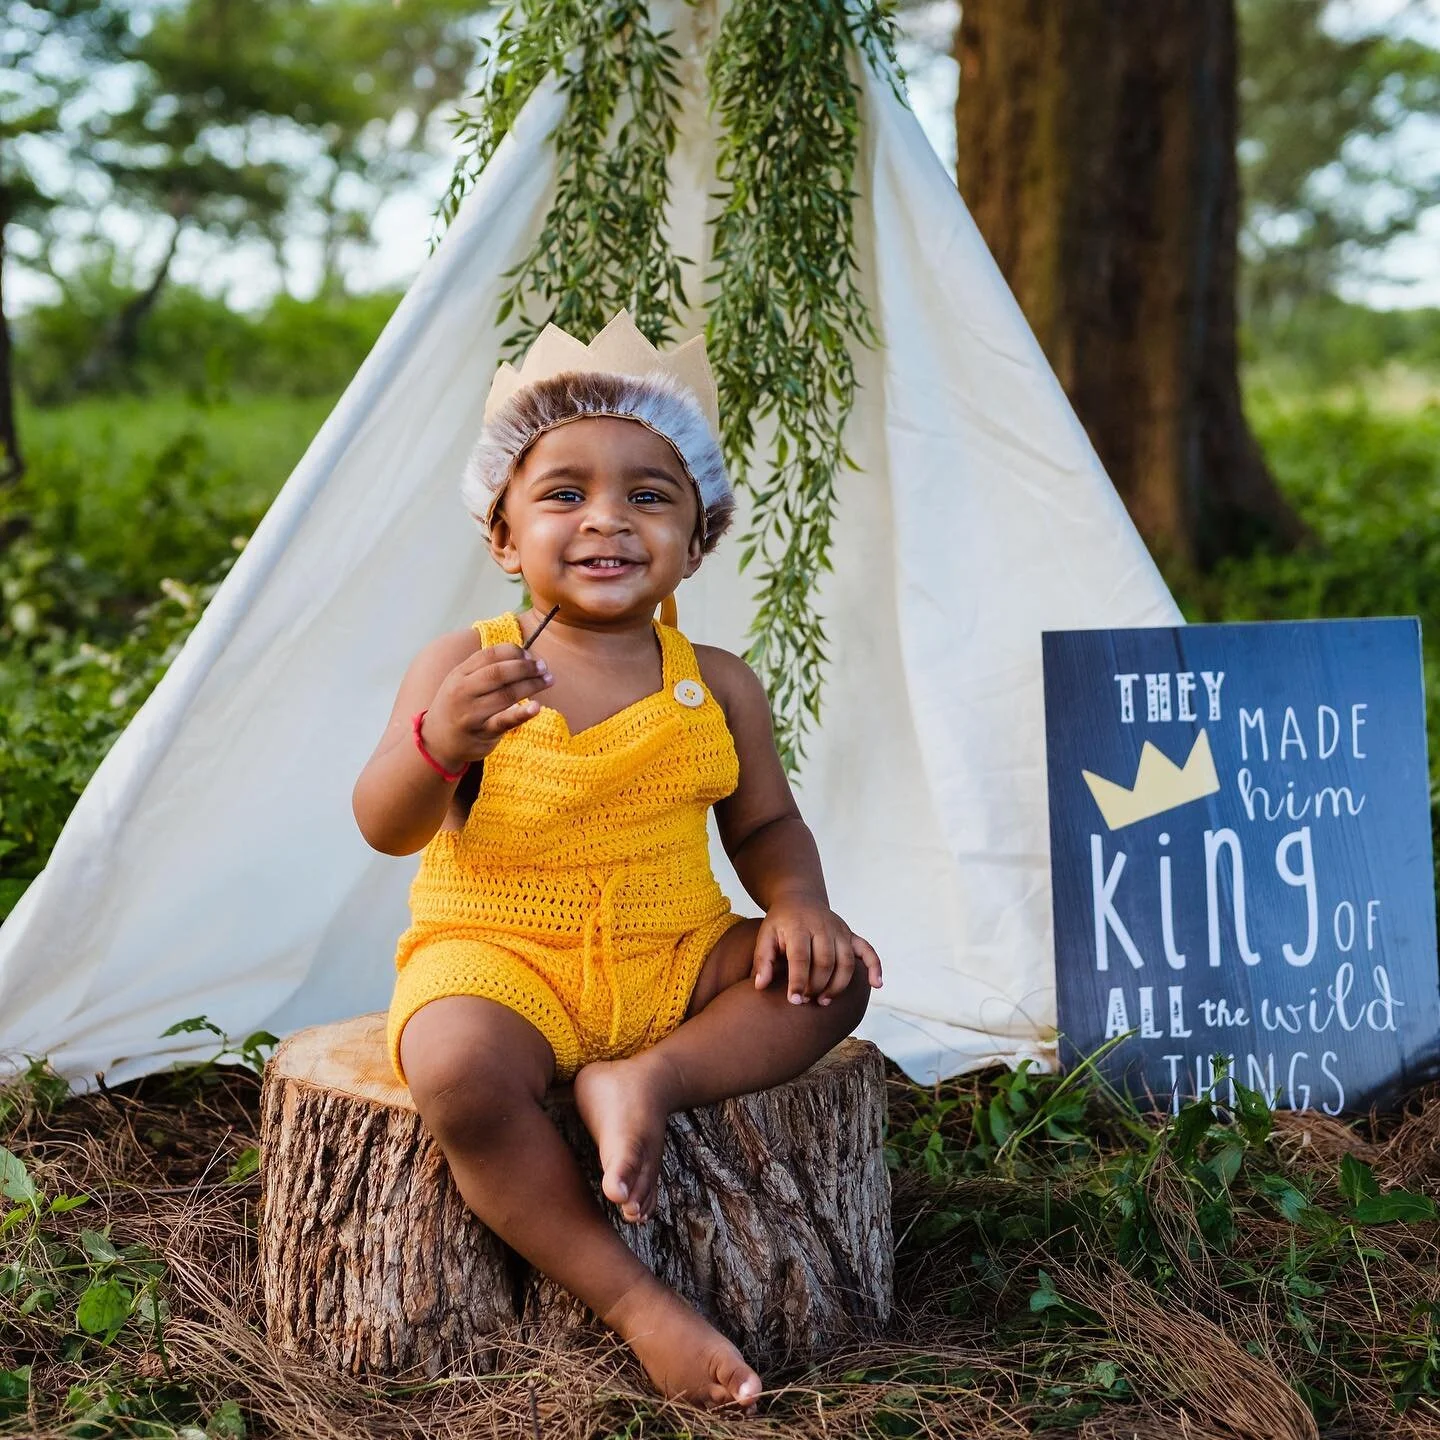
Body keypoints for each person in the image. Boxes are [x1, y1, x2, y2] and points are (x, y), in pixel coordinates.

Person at [351, 311, 883, 1409]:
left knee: (833, 986)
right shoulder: (468, 666)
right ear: (502, 537)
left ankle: (646, 1077)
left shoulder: (717, 682)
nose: (608, 520)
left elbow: (766, 827)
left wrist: (797, 906)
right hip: (499, 956)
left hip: (673, 953)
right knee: (453, 1068)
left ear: (699, 537)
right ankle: (637, 1301)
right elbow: (386, 823)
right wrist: (438, 744)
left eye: (650, 495)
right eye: (564, 494)